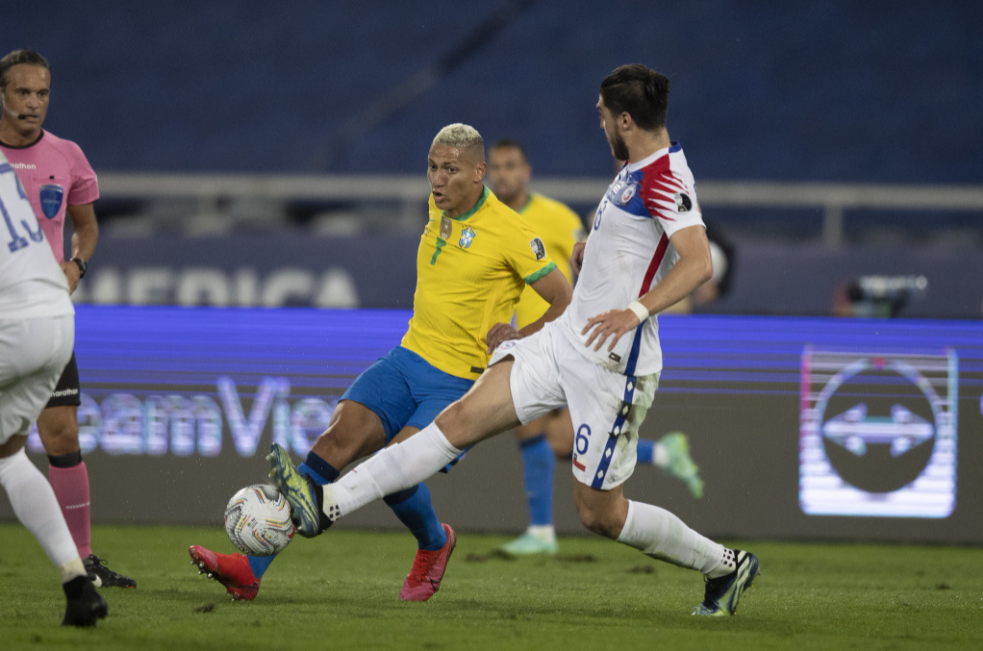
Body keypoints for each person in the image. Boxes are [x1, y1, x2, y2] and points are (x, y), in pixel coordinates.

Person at [270, 65, 759, 617]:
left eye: (603, 115)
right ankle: (323, 504)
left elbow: (699, 263)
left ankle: (725, 566)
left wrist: (635, 310)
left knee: (601, 515)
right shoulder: (632, 167)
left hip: (614, 363)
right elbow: (634, 244)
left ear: (626, 119)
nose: (598, 122)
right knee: (453, 422)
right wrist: (590, 255)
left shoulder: (666, 176)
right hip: (565, 339)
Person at [190, 123, 572, 601]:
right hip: (407, 359)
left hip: (458, 383)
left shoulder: (513, 232)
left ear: (480, 173)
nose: (436, 179)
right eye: (432, 167)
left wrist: (518, 338)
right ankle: (249, 571)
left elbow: (563, 300)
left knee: (396, 472)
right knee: (335, 441)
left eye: (450, 169)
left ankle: (435, 541)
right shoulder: (440, 209)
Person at [487, 139, 704, 556]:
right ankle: (662, 452)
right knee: (558, 439)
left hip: (568, 336)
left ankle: (542, 532)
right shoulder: (491, 221)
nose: (502, 174)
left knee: (539, 431)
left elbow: (596, 261)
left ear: (526, 171)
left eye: (510, 165)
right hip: (531, 336)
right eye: (496, 166)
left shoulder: (555, 216)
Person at [0, 49, 135, 589]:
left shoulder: (68, 156)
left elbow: (87, 226)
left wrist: (76, 264)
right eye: (22, 92)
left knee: (59, 434)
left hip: (41, 315)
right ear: (2, 94)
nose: (33, 104)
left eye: (42, 93)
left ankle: (82, 561)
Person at [0, 149, 108, 626]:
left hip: (12, 320)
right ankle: (76, 582)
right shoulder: (5, 169)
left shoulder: (55, 156)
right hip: (54, 319)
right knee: (8, 455)